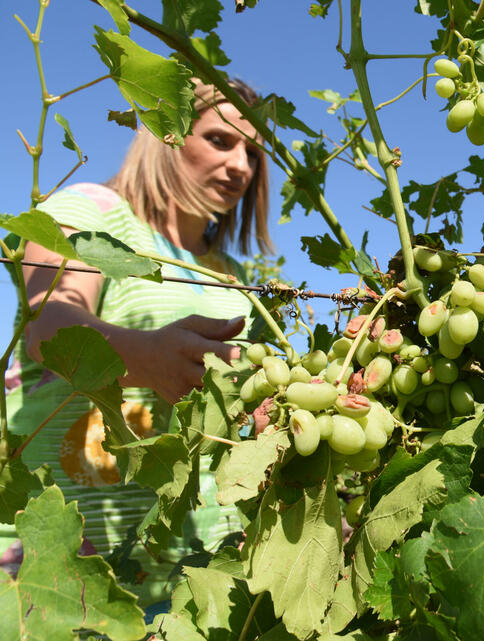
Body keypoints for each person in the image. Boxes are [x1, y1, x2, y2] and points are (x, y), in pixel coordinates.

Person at [0, 77, 272, 606]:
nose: (241, 166)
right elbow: (50, 326)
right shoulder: (94, 211)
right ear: (168, 134)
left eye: (254, 153)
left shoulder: (233, 275)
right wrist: (145, 356)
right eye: (221, 140)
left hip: (190, 573)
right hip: (59, 568)